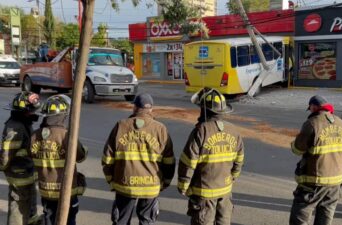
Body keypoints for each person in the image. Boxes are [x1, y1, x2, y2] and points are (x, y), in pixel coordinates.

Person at [102, 93, 175, 225]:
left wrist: (111, 180)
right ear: (151, 109)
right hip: (151, 186)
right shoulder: (160, 129)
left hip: (125, 185)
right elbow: (169, 161)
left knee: (121, 221)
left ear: (134, 108)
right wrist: (165, 183)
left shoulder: (121, 126)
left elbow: (107, 159)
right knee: (147, 221)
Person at [178, 88, 245, 225]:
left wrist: (183, 186)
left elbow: (188, 162)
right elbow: (239, 159)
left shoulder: (201, 131)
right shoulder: (234, 131)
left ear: (204, 110)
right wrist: (232, 177)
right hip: (225, 191)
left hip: (204, 193)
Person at [289, 95, 342, 225]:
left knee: (301, 212)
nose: (310, 111)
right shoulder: (341, 123)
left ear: (314, 107)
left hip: (315, 180)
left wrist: (293, 144)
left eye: (310, 108)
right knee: (326, 213)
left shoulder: (312, 123)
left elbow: (298, 149)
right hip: (336, 180)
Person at [29, 94, 87, 225]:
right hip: (66, 190)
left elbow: (31, 156)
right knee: (69, 218)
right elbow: (80, 156)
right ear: (62, 116)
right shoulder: (66, 135)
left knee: (49, 218)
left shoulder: (35, 135)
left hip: (46, 190)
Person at [0, 92, 42, 225]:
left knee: (28, 209)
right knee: (17, 211)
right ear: (23, 111)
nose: (34, 114)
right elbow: (5, 158)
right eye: (32, 111)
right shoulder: (15, 128)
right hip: (19, 178)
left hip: (27, 175)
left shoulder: (24, 123)